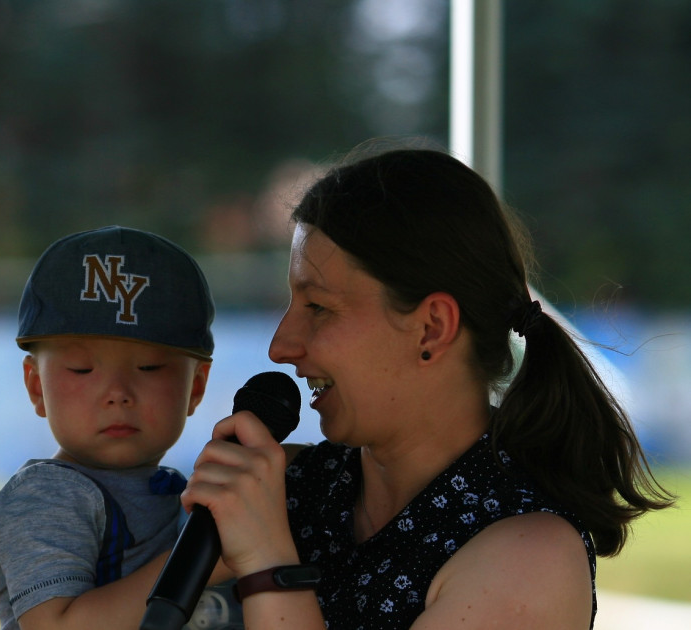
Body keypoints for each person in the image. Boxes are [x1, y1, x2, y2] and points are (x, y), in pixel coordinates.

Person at [181, 145, 675, 629]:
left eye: (318, 307)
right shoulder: (291, 486)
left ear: (431, 327)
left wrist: (269, 562)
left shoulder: (531, 555)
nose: (281, 346)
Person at [0, 225, 243, 629]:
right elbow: (56, 626)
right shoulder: (49, 496)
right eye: (82, 369)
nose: (118, 393)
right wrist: (206, 560)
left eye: (149, 368)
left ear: (196, 387)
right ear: (36, 386)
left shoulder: (181, 488)